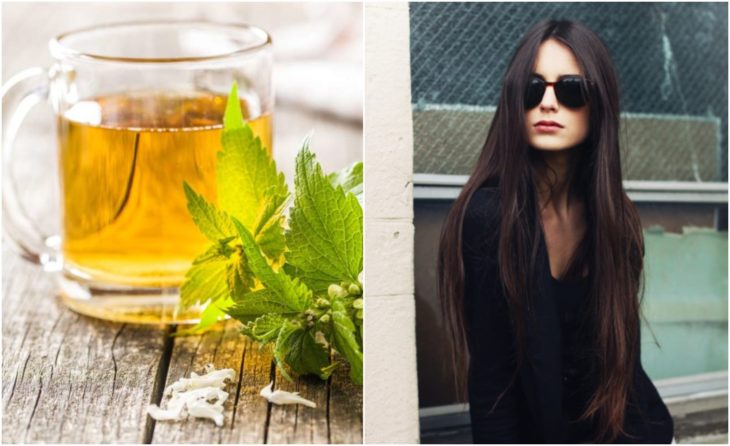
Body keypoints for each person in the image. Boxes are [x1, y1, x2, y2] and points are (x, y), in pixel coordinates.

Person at [437, 19, 674, 444]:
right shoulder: (490, 217)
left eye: (570, 89)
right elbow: (492, 388)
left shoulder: (614, 219)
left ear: (597, 102)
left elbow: (624, 365)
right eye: (532, 89)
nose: (548, 103)